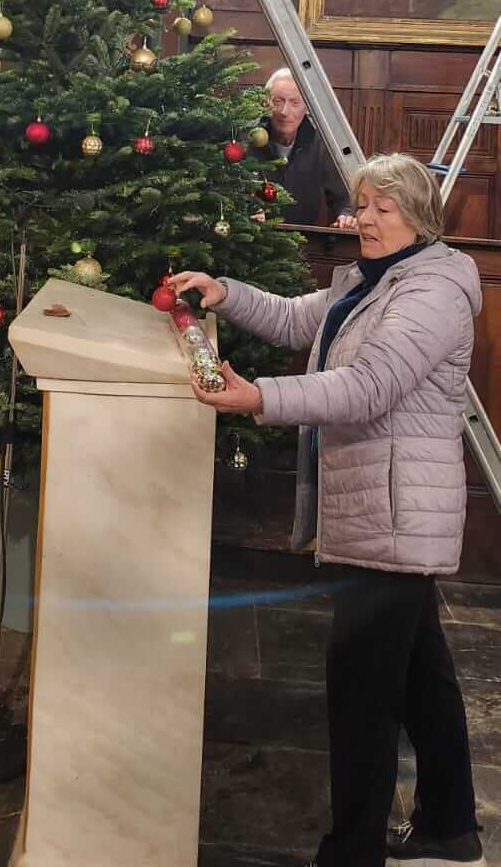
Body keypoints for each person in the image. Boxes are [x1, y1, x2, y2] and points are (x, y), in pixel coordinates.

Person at [171, 154, 484, 867]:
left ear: (419, 218)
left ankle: (351, 853)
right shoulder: (368, 281)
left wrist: (260, 397)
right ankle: (450, 825)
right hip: (383, 511)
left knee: (361, 694)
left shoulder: (432, 290)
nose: (363, 219)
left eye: (382, 208)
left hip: (394, 516)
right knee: (420, 678)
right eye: (361, 204)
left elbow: (368, 387)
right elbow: (293, 319)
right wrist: (223, 292)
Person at [261, 67, 357, 230]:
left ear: (307, 107)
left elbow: (344, 198)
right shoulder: (246, 137)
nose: (285, 111)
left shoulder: (321, 140)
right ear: (265, 102)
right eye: (278, 101)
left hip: (301, 236)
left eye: (295, 103)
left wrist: (346, 215)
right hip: (252, 235)